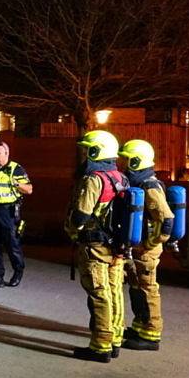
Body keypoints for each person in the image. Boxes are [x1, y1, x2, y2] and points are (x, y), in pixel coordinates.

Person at [64, 130, 129, 363]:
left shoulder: (94, 179)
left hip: (95, 247)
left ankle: (100, 346)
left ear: (95, 151)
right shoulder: (120, 177)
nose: (84, 155)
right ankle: (115, 339)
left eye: (87, 150)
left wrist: (71, 231)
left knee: (99, 295)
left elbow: (81, 215)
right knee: (114, 292)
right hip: (116, 246)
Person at [118, 139, 175, 352]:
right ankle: (139, 326)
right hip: (140, 246)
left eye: (127, 160)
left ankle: (151, 335)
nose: (123, 165)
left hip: (147, 248)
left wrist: (150, 244)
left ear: (137, 162)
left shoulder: (149, 185)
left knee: (147, 289)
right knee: (136, 288)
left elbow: (166, 220)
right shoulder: (140, 182)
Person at [0, 140, 33, 288]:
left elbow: (29, 189)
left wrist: (16, 184)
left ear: (6, 154)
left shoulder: (16, 169)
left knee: (12, 245)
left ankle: (18, 271)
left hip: (8, 211)